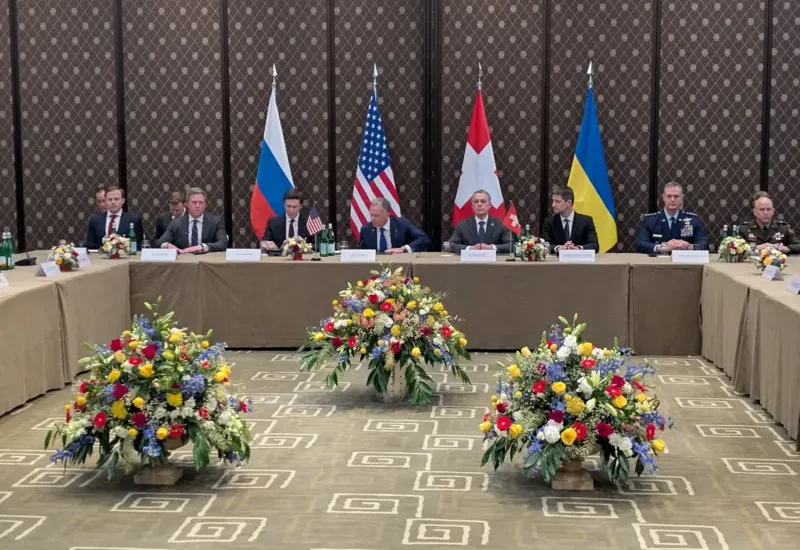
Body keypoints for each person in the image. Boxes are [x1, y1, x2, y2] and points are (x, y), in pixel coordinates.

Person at [636, 182, 708, 254]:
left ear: (681, 198)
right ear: (663, 198)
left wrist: (689, 247)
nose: (672, 199)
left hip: (683, 260)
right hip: (659, 260)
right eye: (669, 196)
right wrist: (663, 247)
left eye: (676, 196)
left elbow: (704, 244)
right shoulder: (650, 220)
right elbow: (640, 244)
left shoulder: (693, 220)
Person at [156, 187, 227, 254]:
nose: (197, 205)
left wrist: (202, 247)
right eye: (194, 202)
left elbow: (223, 243)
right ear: (187, 204)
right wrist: (166, 245)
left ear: (205, 205)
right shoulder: (176, 223)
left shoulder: (216, 221)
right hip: (184, 260)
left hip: (206, 260)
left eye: (201, 202)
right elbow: (158, 243)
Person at [358, 198, 429, 254]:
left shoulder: (402, 224)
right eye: (371, 215)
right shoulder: (366, 229)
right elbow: (362, 253)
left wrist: (404, 249)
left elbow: (423, 239)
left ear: (387, 214)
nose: (372, 219)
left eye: (376, 215)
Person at [540, 186, 599, 252]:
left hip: (579, 258)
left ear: (569, 203)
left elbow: (595, 245)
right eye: (553, 201)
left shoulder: (586, 221)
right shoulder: (549, 222)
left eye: (557, 201)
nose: (553, 205)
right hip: (558, 258)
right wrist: (558, 248)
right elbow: (544, 245)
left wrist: (578, 248)